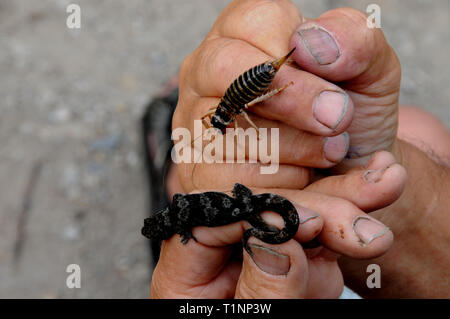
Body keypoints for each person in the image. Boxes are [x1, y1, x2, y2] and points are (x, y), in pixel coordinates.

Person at [148, 0, 450, 298]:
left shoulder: (229, 114)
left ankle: (175, 175)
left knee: (213, 169)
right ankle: (181, 175)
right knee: (424, 128)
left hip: (248, 97)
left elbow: (236, 112)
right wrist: (404, 213)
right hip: (247, 100)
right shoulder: (231, 113)